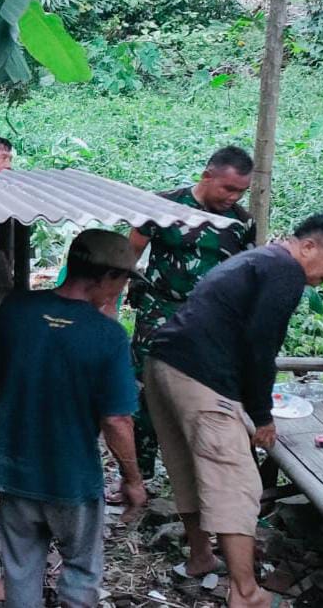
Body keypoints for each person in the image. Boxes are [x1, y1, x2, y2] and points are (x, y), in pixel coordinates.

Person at [143, 214, 323, 608]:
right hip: (200, 375)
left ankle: (200, 556)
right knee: (236, 482)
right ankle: (246, 593)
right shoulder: (285, 270)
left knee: (188, 466)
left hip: (164, 364)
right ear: (308, 246)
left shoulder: (257, 260)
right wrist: (261, 416)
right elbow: (261, 345)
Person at [0, 230, 148, 608]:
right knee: (81, 571)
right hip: (72, 478)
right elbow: (117, 421)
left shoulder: (16, 310)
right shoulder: (107, 336)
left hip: (16, 469)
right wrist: (133, 479)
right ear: (106, 276)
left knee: (21, 568)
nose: (122, 289)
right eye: (123, 279)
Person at [127, 145, 257, 480]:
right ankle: (138, 474)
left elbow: (246, 272)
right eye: (228, 188)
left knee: (202, 390)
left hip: (211, 321)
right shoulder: (163, 205)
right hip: (159, 311)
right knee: (146, 389)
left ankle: (195, 471)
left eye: (241, 191)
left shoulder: (241, 222)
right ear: (207, 175)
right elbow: (128, 254)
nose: (233, 197)